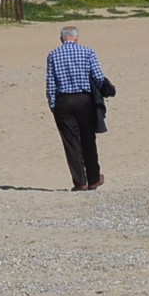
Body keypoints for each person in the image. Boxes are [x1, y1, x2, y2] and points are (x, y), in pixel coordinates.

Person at [46, 25, 108, 191]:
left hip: (63, 102)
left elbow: (51, 85)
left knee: (71, 143)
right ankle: (94, 178)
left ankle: (80, 181)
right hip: (84, 99)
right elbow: (98, 77)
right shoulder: (87, 52)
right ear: (77, 38)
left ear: (61, 39)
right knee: (88, 139)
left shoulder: (53, 55)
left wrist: (53, 105)